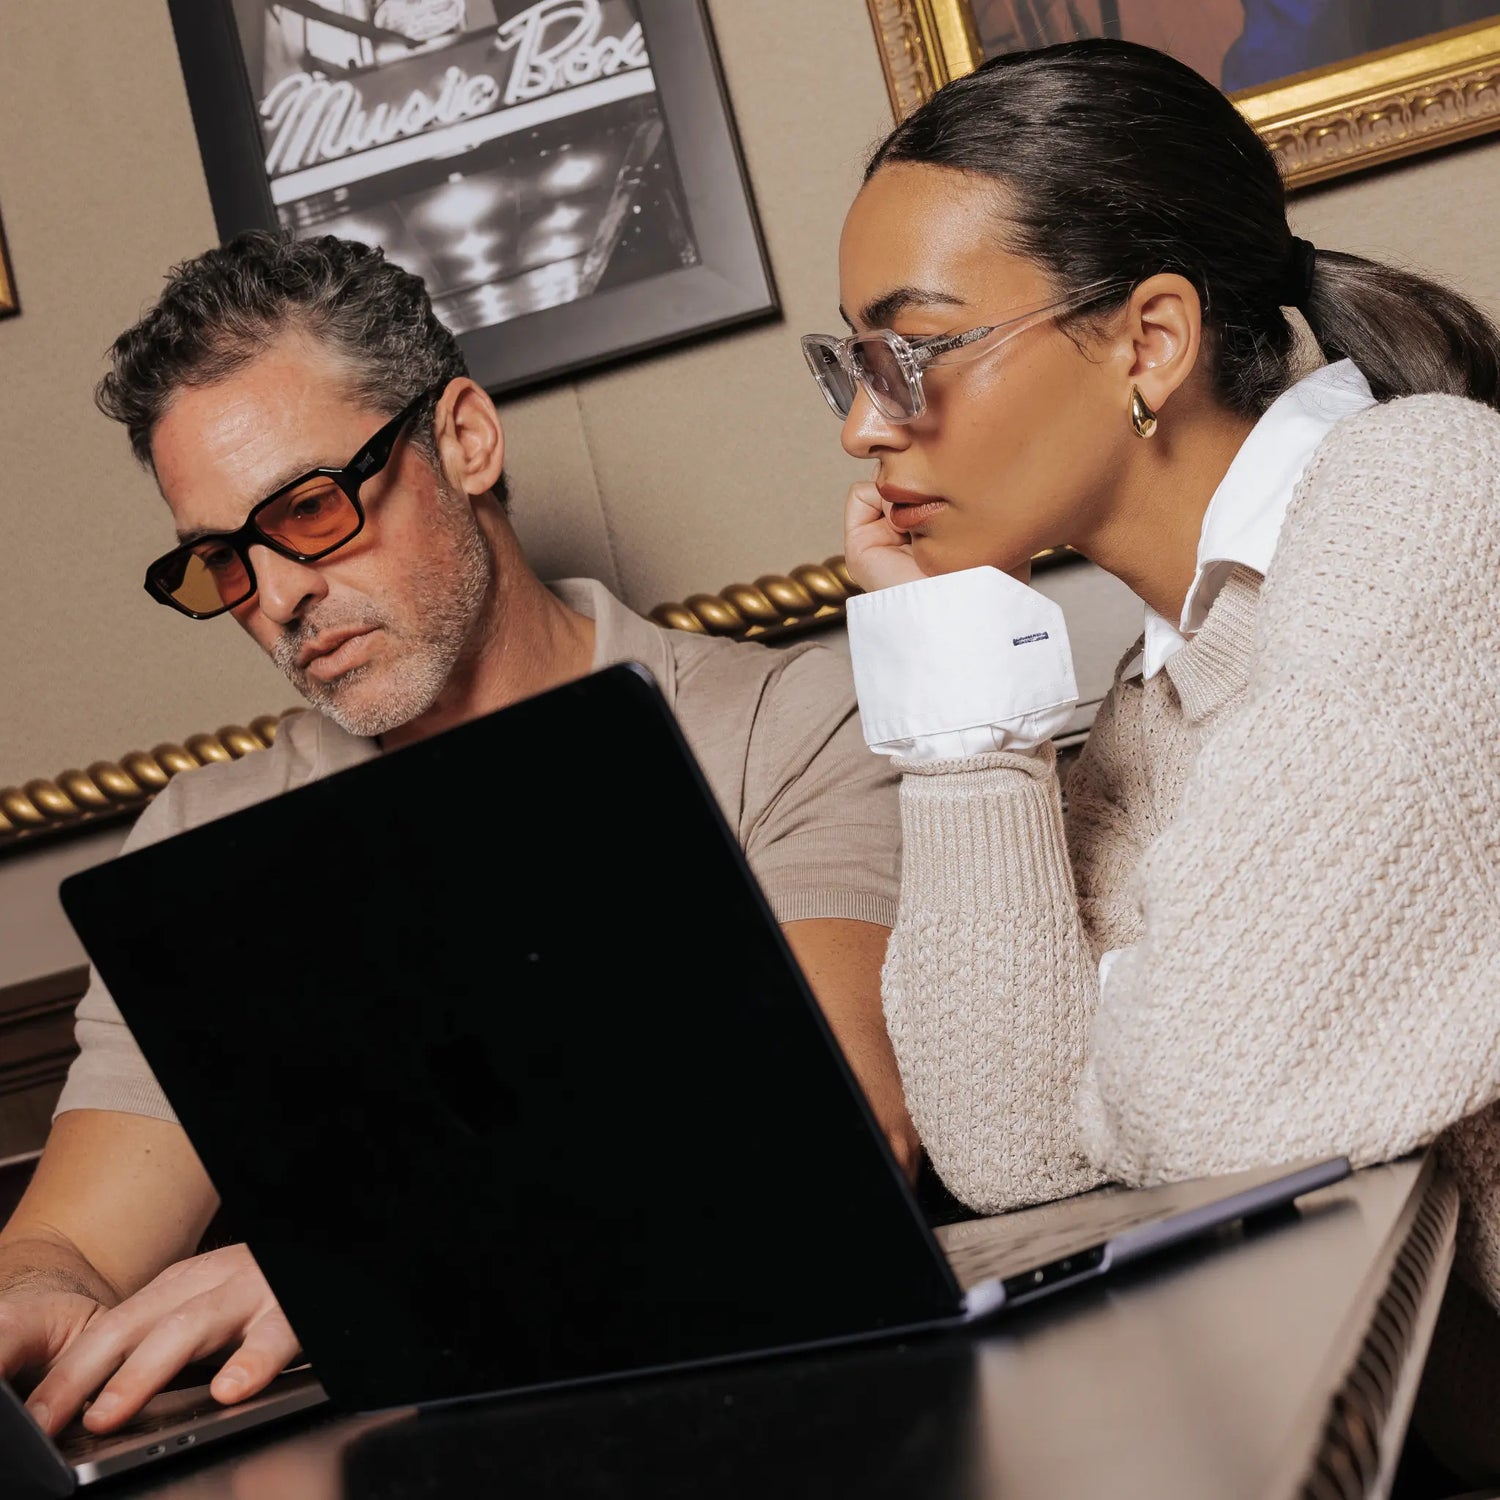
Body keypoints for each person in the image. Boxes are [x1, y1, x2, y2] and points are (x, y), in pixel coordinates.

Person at [0, 230, 916, 1438]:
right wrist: (36, 1295)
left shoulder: (784, 727)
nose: (278, 598)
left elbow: (836, 1138)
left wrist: (345, 1266)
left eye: (309, 509)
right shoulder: (203, 838)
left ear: (468, 439)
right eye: (223, 561)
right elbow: (68, 1243)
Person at [804, 38, 1500, 1480]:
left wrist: (1116, 1048)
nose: (869, 426)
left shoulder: (1425, 495)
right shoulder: (1145, 705)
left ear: (1151, 342)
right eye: (852, 367)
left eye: (912, 353)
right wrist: (954, 669)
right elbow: (1011, 1155)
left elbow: (1209, 1107)